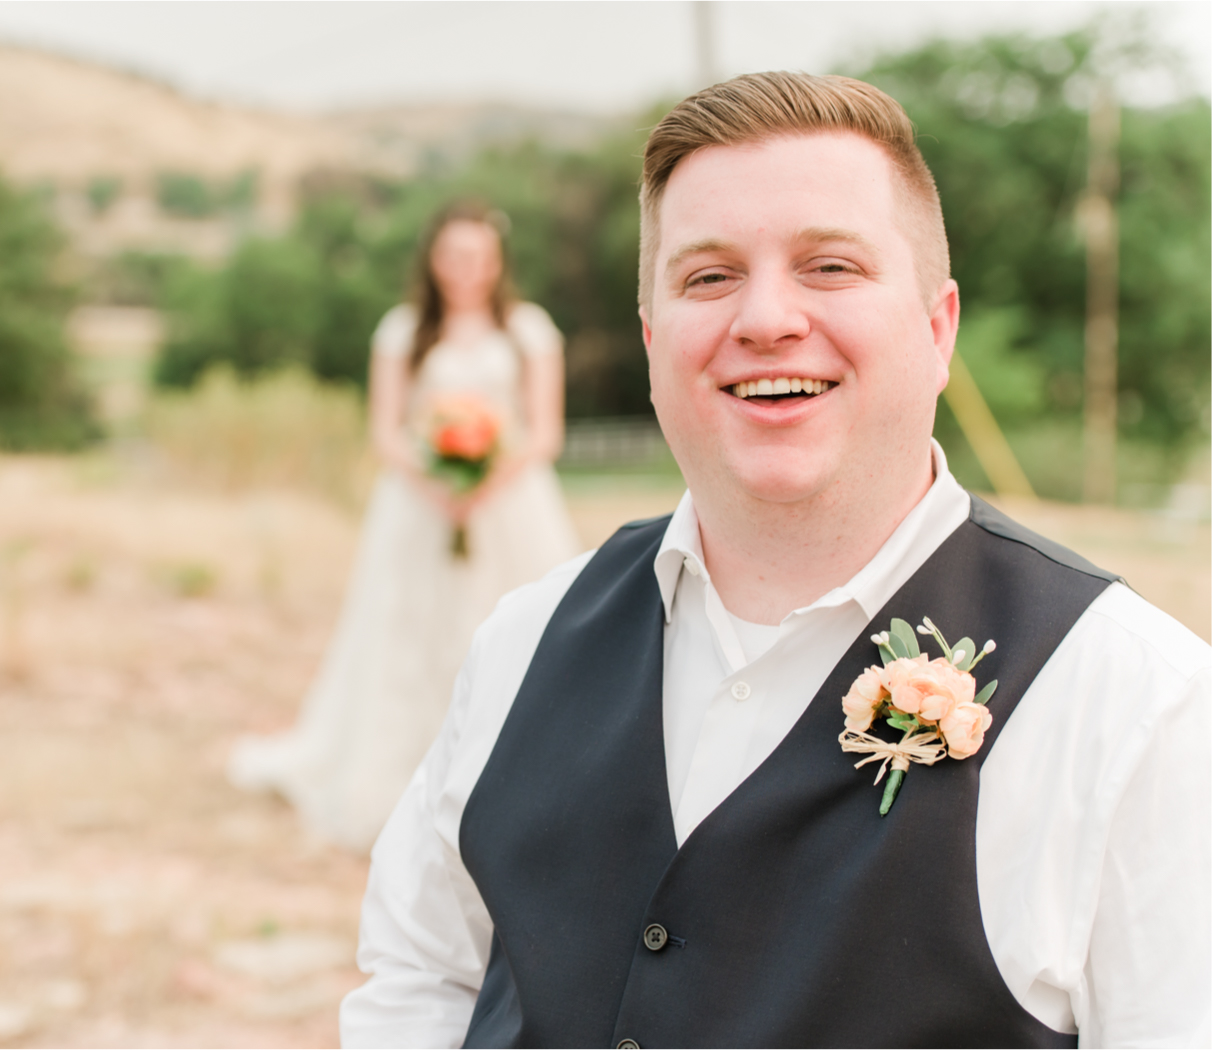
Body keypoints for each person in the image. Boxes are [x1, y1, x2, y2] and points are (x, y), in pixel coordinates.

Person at [341, 73, 1210, 1048]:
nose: (764, 320)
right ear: (653, 338)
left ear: (937, 329)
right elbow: (423, 977)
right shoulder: (523, 637)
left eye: (829, 267)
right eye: (707, 277)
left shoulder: (1136, 701)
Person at [228, 200, 580, 853]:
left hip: (510, 503)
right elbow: (387, 431)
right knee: (409, 630)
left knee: (515, 629)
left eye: (478, 255)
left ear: (497, 260)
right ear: (433, 259)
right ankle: (407, 779)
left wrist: (487, 482)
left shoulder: (530, 330)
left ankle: (512, 779)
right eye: (453, 255)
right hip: (419, 503)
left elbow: (544, 430)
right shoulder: (403, 330)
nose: (466, 268)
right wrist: (437, 484)